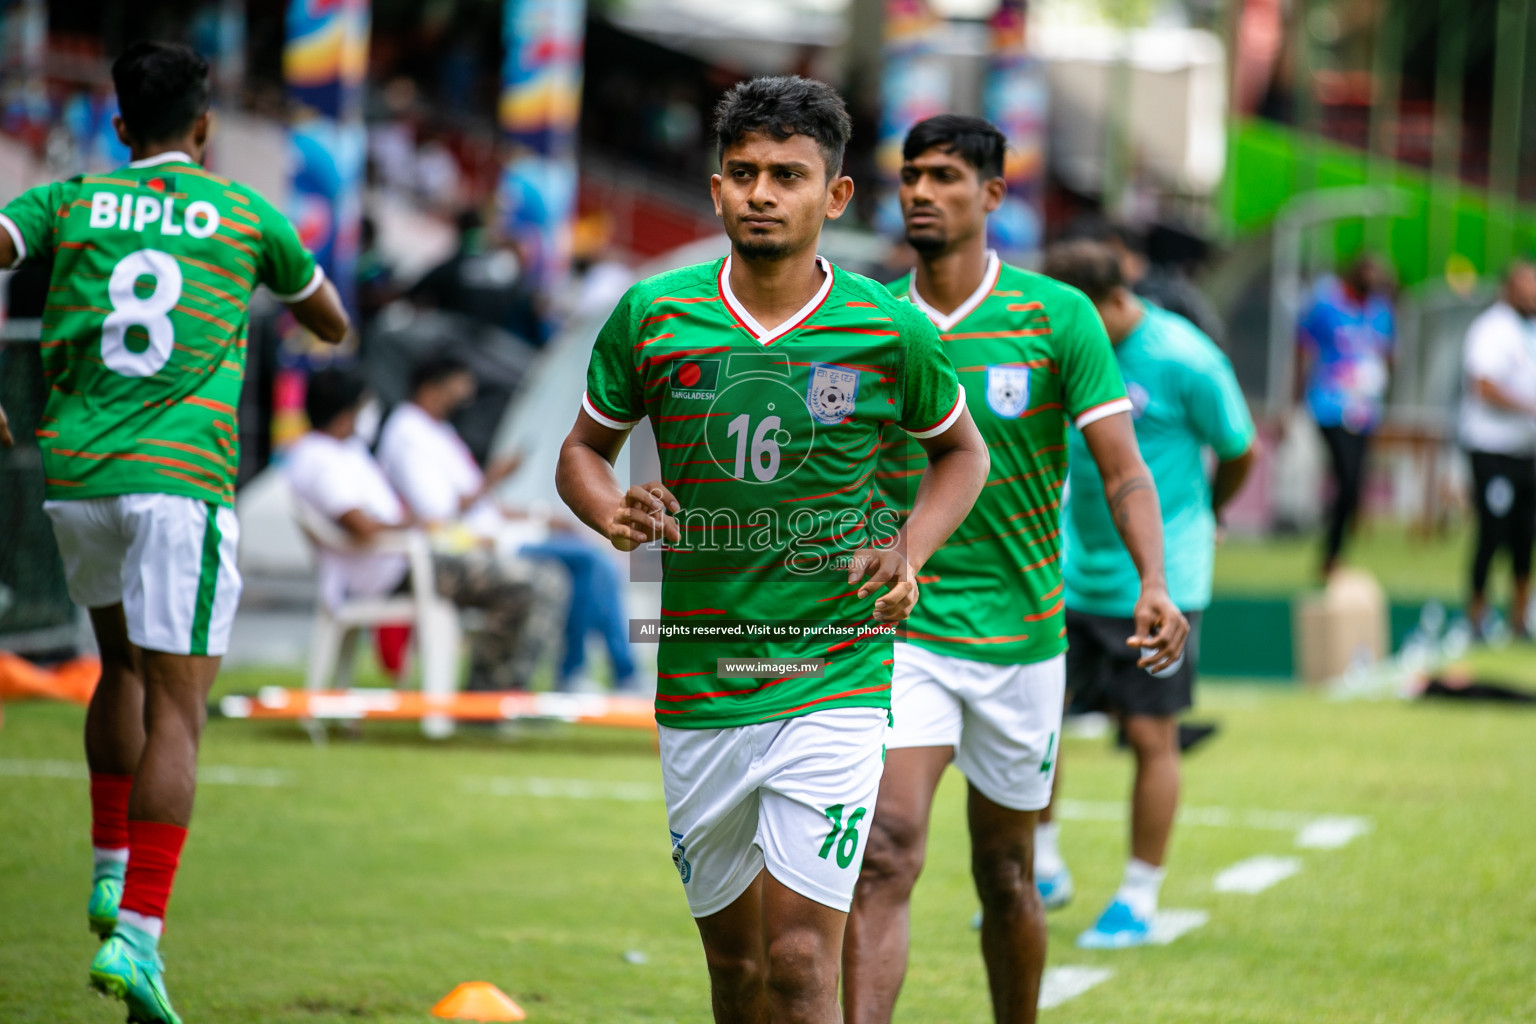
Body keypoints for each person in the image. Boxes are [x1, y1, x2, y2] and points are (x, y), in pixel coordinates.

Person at [555, 77, 990, 1024]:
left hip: (831, 676)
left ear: (832, 197)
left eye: (787, 176)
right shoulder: (651, 315)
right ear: (716, 190)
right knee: (739, 974)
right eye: (744, 174)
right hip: (702, 684)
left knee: (799, 961)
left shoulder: (890, 329)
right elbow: (581, 455)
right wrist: (610, 510)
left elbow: (963, 453)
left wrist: (909, 549)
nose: (761, 193)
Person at [0, 42, 349, 1023]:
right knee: (178, 709)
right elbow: (329, 321)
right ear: (206, 128)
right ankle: (141, 936)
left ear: (116, 129)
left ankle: (109, 869)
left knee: (116, 666)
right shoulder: (245, 213)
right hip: (180, 481)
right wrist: (292, 299)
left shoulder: (67, 199)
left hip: (79, 476)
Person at [842, 116, 1190, 1024]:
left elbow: (1123, 471)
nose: (921, 191)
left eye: (946, 177)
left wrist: (1154, 582)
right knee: (884, 848)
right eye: (912, 175)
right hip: (903, 630)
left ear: (994, 196)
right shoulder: (870, 318)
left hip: (1023, 640)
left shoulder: (1058, 315)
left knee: (1006, 872)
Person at [1038, 239, 1256, 948]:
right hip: (1069, 568)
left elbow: (1239, 446)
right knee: (1036, 722)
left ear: (1109, 301)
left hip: (1164, 576)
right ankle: (1040, 866)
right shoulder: (1062, 347)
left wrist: (1209, 513)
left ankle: (1137, 897)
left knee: (1148, 733)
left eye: (1070, 314)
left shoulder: (1185, 357)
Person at [289, 367, 566, 691]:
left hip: (409, 561)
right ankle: (490, 697)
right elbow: (360, 524)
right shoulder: (319, 458)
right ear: (346, 412)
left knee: (542, 578)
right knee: (537, 582)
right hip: (397, 572)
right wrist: (417, 524)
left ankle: (493, 691)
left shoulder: (344, 452)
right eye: (364, 405)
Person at [377, 352, 637, 690]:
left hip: (495, 535)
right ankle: (595, 673)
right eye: (459, 387)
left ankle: (589, 672)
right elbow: (440, 513)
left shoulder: (439, 431)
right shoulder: (407, 432)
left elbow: (482, 505)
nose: (466, 396)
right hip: (470, 547)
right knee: (589, 562)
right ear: (431, 388)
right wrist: (494, 478)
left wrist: (543, 517)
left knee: (589, 554)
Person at [1295, 255, 1395, 576]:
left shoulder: (1381, 312)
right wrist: (1295, 395)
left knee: (1354, 484)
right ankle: (1331, 552)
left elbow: (1389, 353)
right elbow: (1302, 345)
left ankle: (1334, 551)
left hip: (1365, 410)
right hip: (1330, 405)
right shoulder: (1327, 304)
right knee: (1347, 475)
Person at [1458, 261, 1536, 640]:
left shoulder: (1530, 330)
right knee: (1492, 532)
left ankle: (1520, 619)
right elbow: (1484, 386)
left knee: (1526, 535)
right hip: (1492, 448)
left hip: (1527, 450)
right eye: (1527, 285)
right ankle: (1476, 615)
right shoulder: (1491, 329)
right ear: (1508, 288)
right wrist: (1529, 407)